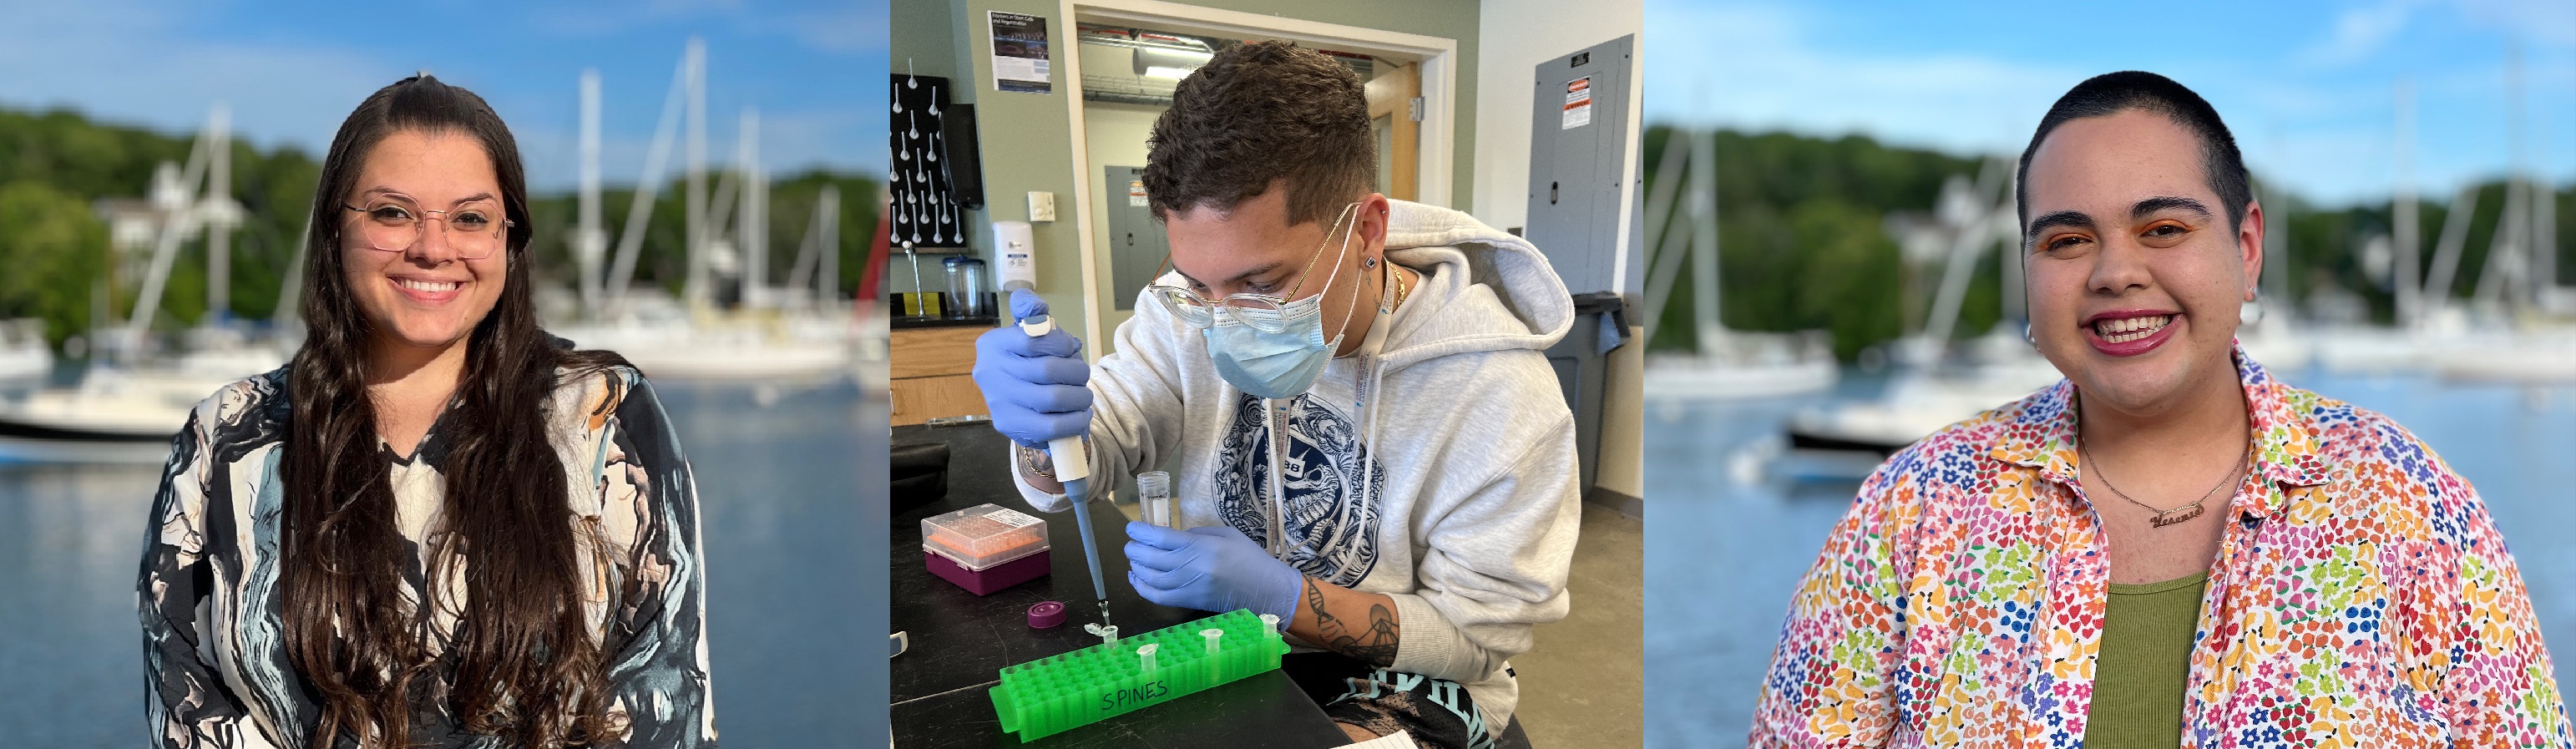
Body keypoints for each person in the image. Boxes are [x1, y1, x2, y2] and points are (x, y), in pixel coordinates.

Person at [1750, 71, 2570, 748]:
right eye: (2065, 241)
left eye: (2163, 228)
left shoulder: (2409, 506)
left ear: (2245, 248)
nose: (2114, 273)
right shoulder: (1913, 509)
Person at [971, 41, 1580, 748]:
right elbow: (1098, 447)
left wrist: (1283, 597)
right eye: (1200, 285)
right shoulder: (1179, 312)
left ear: (1367, 232)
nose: (1222, 318)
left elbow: (1473, 642)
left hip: (1404, 679)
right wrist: (1040, 428)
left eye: (1262, 285)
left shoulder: (1500, 396)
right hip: (1220, 641)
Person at [138, 76, 716, 748]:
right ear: (334, 226)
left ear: (508, 238)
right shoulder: (231, 433)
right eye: (391, 212)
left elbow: (664, 692)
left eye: (470, 218)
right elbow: (185, 699)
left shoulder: (602, 417)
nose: (433, 247)